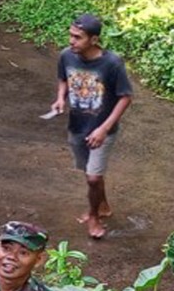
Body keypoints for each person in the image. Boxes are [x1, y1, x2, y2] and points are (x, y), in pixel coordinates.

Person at [51, 13, 132, 241]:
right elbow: (63, 79)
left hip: (102, 130)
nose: (71, 41)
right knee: (90, 173)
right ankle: (103, 205)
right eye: (70, 35)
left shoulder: (112, 63)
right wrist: (60, 98)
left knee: (93, 179)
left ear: (94, 40)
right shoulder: (66, 56)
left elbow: (125, 97)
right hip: (77, 127)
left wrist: (104, 129)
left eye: (78, 37)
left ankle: (94, 216)